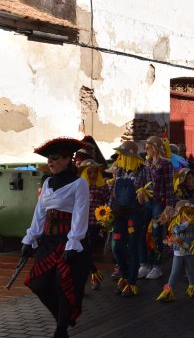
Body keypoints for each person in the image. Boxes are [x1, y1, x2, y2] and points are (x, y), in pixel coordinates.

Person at [21, 137, 89, 338]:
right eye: (49, 159)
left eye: (55, 158)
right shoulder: (48, 181)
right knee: (37, 283)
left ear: (68, 159)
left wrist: (73, 242)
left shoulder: (79, 183)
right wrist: (30, 238)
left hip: (68, 241)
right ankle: (64, 318)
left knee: (62, 284)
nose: (50, 162)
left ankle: (61, 329)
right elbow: (39, 213)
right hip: (48, 241)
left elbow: (80, 213)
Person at [110, 141, 152, 297]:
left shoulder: (144, 170)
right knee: (117, 247)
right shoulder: (119, 171)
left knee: (133, 247)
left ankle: (131, 282)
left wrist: (143, 195)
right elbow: (113, 193)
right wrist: (108, 211)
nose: (120, 157)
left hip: (135, 214)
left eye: (123, 155)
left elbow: (151, 191)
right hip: (119, 214)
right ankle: (124, 276)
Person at [138, 136, 175, 280]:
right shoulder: (146, 162)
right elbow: (142, 182)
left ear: (155, 148)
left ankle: (157, 266)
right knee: (141, 230)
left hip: (159, 203)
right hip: (147, 202)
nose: (146, 150)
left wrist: (169, 205)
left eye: (148, 147)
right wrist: (140, 191)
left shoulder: (166, 164)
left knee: (156, 232)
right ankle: (144, 263)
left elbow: (169, 186)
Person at [156, 200, 194, 301]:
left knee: (190, 271)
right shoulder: (176, 223)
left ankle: (192, 289)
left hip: (189, 251)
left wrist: (193, 243)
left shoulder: (192, 225)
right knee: (175, 272)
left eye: (189, 212)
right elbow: (175, 230)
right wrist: (185, 225)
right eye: (186, 211)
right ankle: (168, 292)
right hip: (178, 253)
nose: (188, 214)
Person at [78, 159, 110, 291]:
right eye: (89, 172)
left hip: (94, 224)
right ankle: (93, 276)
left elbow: (108, 203)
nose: (92, 175)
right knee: (82, 253)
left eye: (95, 172)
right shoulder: (79, 187)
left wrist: (105, 221)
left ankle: (86, 281)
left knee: (86, 252)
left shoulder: (103, 187)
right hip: (80, 224)